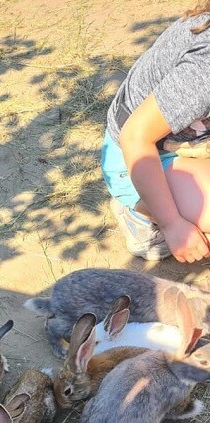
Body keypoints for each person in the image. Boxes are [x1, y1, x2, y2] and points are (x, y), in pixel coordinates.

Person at [101, 3, 210, 263]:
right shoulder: (205, 68)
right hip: (140, 157)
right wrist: (173, 224)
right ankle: (145, 215)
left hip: (190, 142)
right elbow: (135, 137)